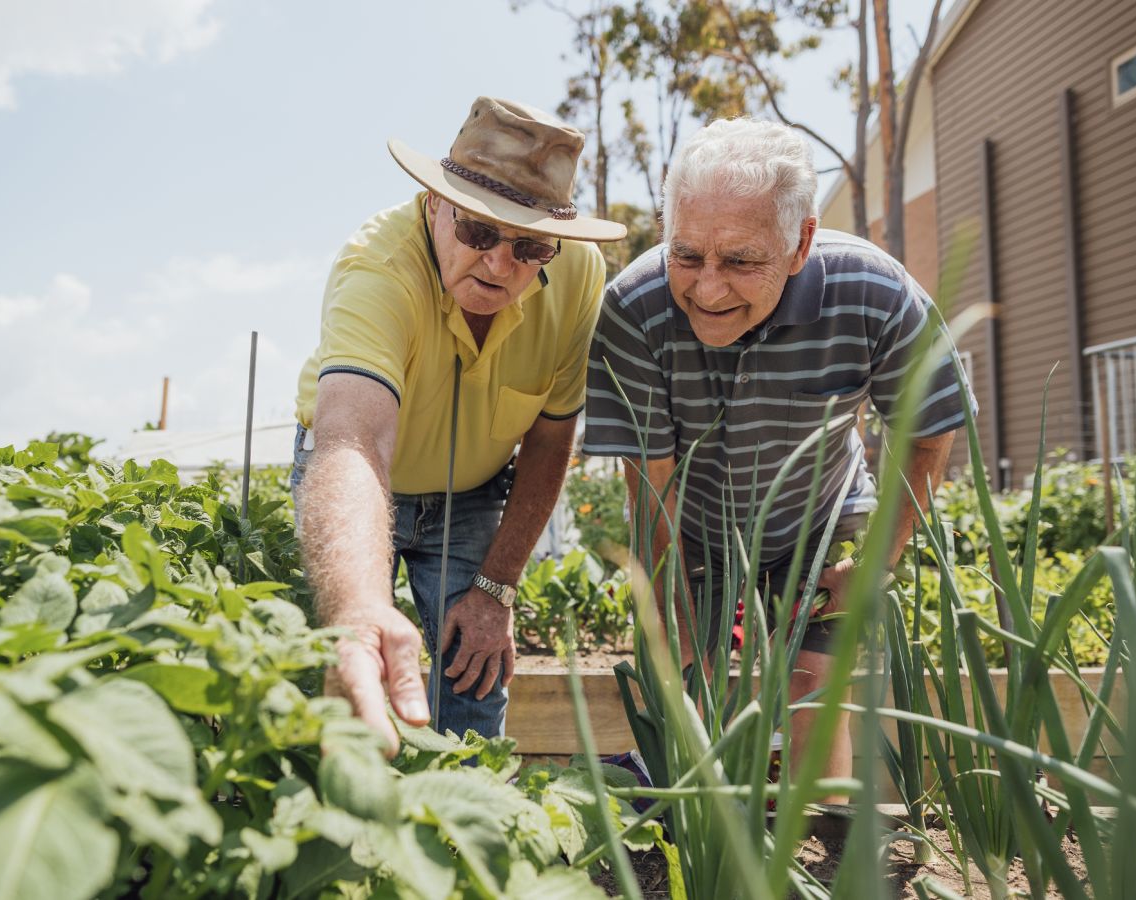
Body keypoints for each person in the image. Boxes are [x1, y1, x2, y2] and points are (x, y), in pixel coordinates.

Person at [583, 117, 975, 798]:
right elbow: (652, 491)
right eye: (688, 255)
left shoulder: (874, 294)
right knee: (684, 688)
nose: (707, 290)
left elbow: (929, 429)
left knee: (810, 690)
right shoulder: (636, 310)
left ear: (801, 244)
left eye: (740, 261)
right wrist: (672, 619)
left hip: (822, 516)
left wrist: (877, 561)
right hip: (696, 525)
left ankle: (817, 836)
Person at [292, 97, 627, 753]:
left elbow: (552, 437)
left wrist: (496, 589)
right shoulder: (378, 271)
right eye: (478, 233)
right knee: (344, 660)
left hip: (472, 491)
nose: (500, 265)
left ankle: (466, 820)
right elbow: (353, 441)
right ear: (432, 206)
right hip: (362, 481)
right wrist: (360, 609)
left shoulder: (579, 275)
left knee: (475, 671)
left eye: (528, 246)